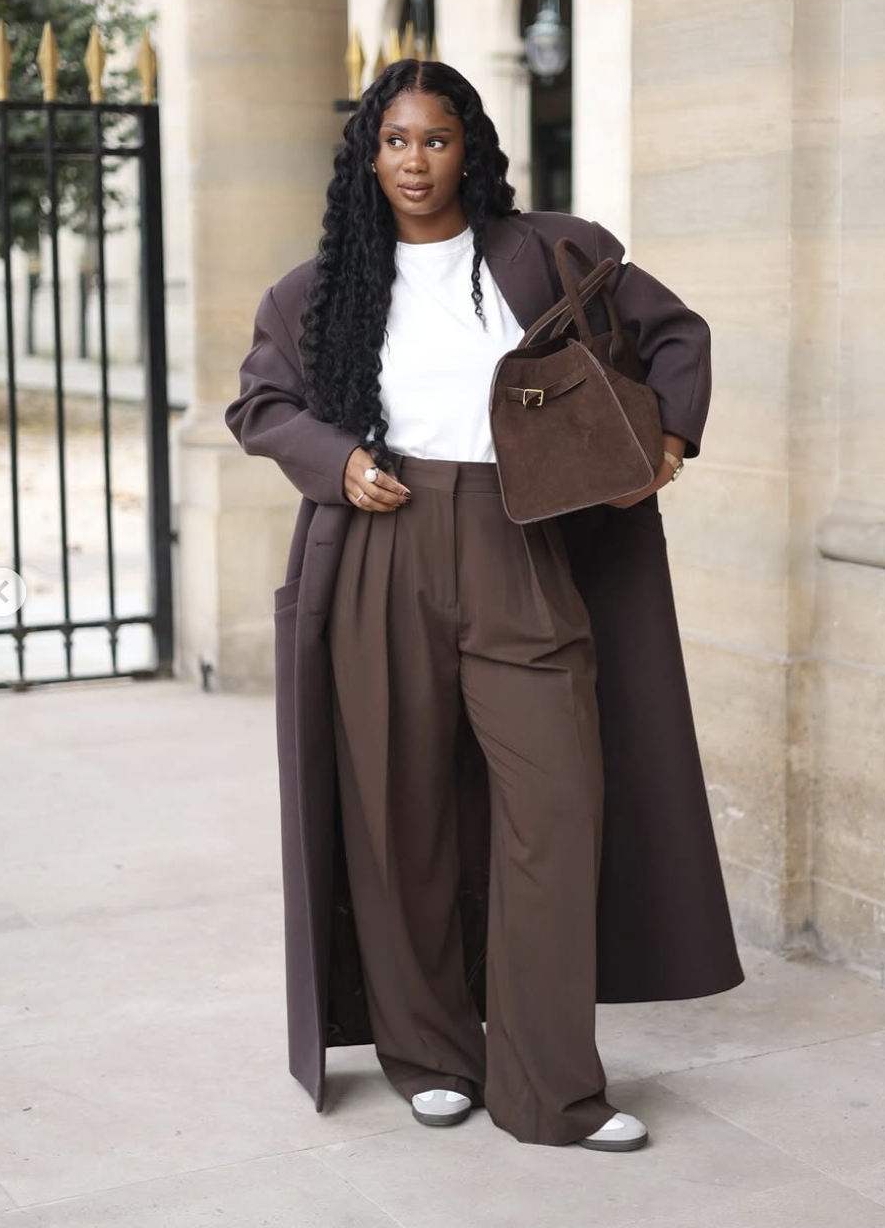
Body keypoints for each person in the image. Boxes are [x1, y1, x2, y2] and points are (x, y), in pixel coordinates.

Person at [225, 58, 743, 1153]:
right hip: (382, 542)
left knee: (556, 811)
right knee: (396, 811)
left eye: (437, 140)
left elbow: (676, 333)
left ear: (473, 148)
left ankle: (552, 1086)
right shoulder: (317, 288)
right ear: (368, 155)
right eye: (396, 141)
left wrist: (665, 438)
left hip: (522, 543)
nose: (416, 163)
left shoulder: (551, 252)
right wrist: (333, 459)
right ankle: (430, 1054)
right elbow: (260, 402)